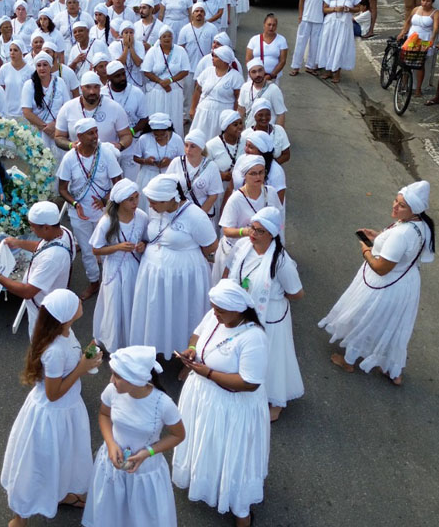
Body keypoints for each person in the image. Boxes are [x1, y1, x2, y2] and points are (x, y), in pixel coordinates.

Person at [172, 280, 270, 527]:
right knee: (207, 443)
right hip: (204, 398)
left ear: (238, 310)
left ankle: (241, 511)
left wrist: (208, 374)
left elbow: (250, 382)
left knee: (233, 455)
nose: (215, 313)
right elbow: (197, 333)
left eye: (220, 310)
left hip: (233, 407)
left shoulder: (253, 338)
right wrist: (192, 349)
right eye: (214, 308)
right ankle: (207, 481)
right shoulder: (217, 316)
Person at [2, 289, 101, 526]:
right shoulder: (54, 351)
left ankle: (61, 493)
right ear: (66, 315)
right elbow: (53, 394)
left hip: (67, 411)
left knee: (63, 456)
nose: (80, 301)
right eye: (75, 302)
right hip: (51, 416)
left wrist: (84, 357)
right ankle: (20, 517)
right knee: (36, 463)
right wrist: (82, 367)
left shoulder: (66, 332)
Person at [323, 181, 435, 385]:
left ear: (414, 209)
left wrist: (366, 250)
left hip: (386, 285)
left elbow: (381, 267)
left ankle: (348, 362)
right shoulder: (422, 225)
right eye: (396, 200)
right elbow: (404, 252)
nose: (394, 206)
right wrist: (379, 237)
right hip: (406, 285)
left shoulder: (401, 234)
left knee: (365, 317)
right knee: (394, 326)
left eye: (401, 205)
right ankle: (393, 370)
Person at [81, 345, 185, 527]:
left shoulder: (163, 404)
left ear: (135, 379)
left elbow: (178, 435)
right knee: (111, 512)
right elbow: (104, 415)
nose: (112, 380)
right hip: (112, 462)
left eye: (118, 376)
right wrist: (111, 444)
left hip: (145, 471)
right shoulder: (112, 390)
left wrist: (148, 452)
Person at [224, 207, 304, 422]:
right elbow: (229, 268)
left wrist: (275, 296)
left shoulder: (281, 261)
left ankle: (276, 400)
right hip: (244, 311)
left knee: (273, 356)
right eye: (252, 227)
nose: (252, 233)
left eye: (259, 231)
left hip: (272, 315)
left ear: (271, 234)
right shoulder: (243, 246)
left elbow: (296, 293)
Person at [129, 174, 218, 359]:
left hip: (184, 279)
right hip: (153, 275)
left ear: (171, 198)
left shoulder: (195, 216)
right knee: (157, 313)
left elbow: (211, 245)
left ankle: (190, 353)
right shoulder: (157, 209)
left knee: (181, 314)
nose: (150, 206)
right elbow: (152, 234)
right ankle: (155, 348)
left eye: (155, 202)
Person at [0, 201, 75, 338]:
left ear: (47, 228)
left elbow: (28, 292)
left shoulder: (52, 258)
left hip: (44, 313)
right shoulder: (63, 232)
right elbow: (43, 246)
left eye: (33, 227)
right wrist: (19, 243)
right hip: (47, 306)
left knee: (42, 349)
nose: (32, 230)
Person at [58, 117, 124, 300]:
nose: (95, 136)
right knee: (88, 250)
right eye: (90, 133)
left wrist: (106, 199)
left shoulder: (105, 153)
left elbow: (118, 181)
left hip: (104, 211)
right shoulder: (69, 158)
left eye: (96, 132)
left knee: (108, 245)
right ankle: (94, 282)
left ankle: (112, 280)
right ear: (79, 136)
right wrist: (75, 204)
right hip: (80, 213)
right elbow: (62, 188)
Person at [89, 179, 147, 352]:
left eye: (137, 198)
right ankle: (110, 341)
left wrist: (143, 244)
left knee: (132, 303)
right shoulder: (107, 222)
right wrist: (118, 248)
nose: (136, 203)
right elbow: (96, 249)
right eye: (131, 199)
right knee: (114, 304)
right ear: (120, 201)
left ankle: (132, 340)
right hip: (115, 269)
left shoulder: (142, 217)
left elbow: (146, 238)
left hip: (135, 267)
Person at [166, 129, 224, 225]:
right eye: (186, 145)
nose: (188, 150)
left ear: (201, 148)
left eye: (193, 146)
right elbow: (168, 186)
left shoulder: (211, 166)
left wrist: (199, 215)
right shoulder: (176, 162)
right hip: (180, 212)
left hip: (202, 212)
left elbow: (213, 195)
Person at [141, 26, 190, 138]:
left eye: (169, 36)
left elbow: (185, 70)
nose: (167, 38)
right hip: (156, 91)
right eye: (164, 36)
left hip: (174, 90)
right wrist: (160, 81)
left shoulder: (180, 51)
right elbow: (146, 71)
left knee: (173, 117)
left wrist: (170, 80)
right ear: (160, 38)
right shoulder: (153, 51)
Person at [190, 45, 242, 144]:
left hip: (221, 114)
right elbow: (198, 90)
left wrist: (234, 117)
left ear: (224, 60)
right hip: (203, 113)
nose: (212, 58)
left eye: (215, 56)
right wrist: (193, 108)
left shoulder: (235, 77)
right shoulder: (207, 72)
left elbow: (238, 99)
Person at [317, 0, 362, 84]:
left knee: (340, 47)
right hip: (330, 23)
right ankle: (328, 70)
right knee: (328, 45)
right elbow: (324, 8)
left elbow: (358, 8)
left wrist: (348, 9)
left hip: (344, 25)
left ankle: (337, 72)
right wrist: (334, 9)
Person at [291, 0, 333, 76]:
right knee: (300, 43)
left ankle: (310, 66)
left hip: (319, 19)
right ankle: (295, 66)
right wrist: (301, 15)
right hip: (306, 17)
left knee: (315, 44)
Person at [135, 113, 184, 209]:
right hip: (147, 177)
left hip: (169, 176)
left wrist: (170, 161)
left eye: (162, 134)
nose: (159, 137)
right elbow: (136, 157)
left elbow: (182, 159)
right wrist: (146, 161)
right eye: (156, 134)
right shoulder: (144, 139)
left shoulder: (176, 139)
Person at [397, 0, 439, 97]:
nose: (425, 3)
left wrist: (431, 40)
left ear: (432, 2)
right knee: (406, 62)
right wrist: (403, 32)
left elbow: (435, 29)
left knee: (420, 64)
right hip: (412, 38)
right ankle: (404, 84)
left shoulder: (435, 13)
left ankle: (418, 88)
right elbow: (408, 21)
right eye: (423, 0)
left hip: (424, 39)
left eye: (428, 1)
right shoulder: (416, 9)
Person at [246, 14, 288, 83]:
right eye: (269, 24)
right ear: (264, 25)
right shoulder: (254, 39)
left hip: (272, 78)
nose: (271, 27)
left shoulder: (282, 40)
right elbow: (248, 59)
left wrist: (271, 75)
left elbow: (282, 61)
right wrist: (257, 73)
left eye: (274, 25)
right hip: (255, 77)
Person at [0, 41, 32, 119]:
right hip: (7, 112)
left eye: (15, 50)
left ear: (21, 52)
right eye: (10, 50)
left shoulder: (30, 70)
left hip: (23, 113)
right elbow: (0, 89)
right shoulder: (4, 69)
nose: (12, 53)